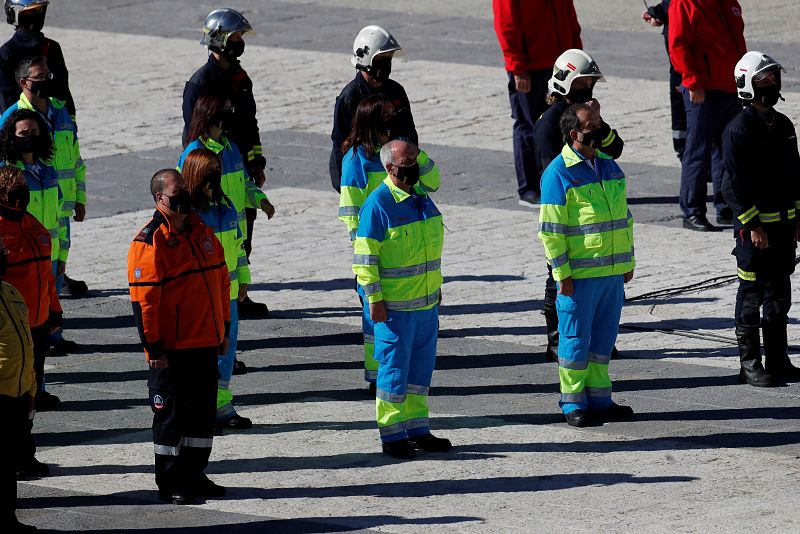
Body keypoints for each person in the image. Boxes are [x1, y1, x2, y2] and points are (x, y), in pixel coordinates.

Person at [128, 169, 230, 505]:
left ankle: (195, 473)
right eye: (176, 192)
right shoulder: (149, 242)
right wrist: (153, 346)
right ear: (159, 199)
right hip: (171, 349)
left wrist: (224, 327)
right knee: (171, 419)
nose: (184, 195)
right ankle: (171, 482)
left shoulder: (201, 229)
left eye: (185, 188)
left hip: (204, 341)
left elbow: (221, 279)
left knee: (201, 418)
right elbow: (145, 303)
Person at [538, 104, 635, 427]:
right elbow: (551, 231)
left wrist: (628, 260)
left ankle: (600, 399)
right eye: (592, 126)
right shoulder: (557, 173)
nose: (599, 130)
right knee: (575, 341)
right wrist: (561, 274)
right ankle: (572, 401)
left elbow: (624, 219)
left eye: (600, 123)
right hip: (578, 277)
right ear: (573, 134)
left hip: (610, 274)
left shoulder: (610, 167)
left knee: (603, 341)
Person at [353, 140, 450, 459]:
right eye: (407, 161)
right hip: (393, 309)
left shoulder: (421, 198)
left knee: (420, 372)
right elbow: (365, 261)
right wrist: (374, 300)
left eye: (415, 160)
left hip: (424, 305)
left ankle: (418, 428)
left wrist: (434, 288)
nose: (414, 166)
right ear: (389, 168)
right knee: (394, 371)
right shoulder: (377, 205)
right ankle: (392, 434)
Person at [339, 94, 439, 394]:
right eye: (387, 122)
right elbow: (351, 214)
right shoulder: (355, 160)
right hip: (376, 246)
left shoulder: (398, 153)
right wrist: (366, 251)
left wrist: (414, 153)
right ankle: (377, 375)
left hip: (401, 241)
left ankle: (386, 375)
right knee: (376, 322)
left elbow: (432, 180)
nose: (393, 125)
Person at [534, 49, 623, 363]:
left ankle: (597, 340)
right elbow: (551, 175)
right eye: (582, 83)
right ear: (565, 83)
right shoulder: (549, 124)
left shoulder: (587, 115)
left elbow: (616, 149)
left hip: (594, 214)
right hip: (567, 213)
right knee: (555, 274)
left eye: (590, 83)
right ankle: (556, 339)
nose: (588, 90)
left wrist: (599, 123)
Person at [182, 8, 269, 318]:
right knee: (216, 230)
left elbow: (250, 123)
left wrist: (256, 161)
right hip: (213, 173)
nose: (239, 43)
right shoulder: (200, 83)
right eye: (235, 38)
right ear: (218, 40)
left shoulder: (240, 77)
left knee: (242, 229)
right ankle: (218, 292)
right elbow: (193, 134)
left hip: (239, 167)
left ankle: (239, 293)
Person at [721, 51, 800, 388]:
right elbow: (732, 185)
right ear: (747, 87)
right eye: (763, 81)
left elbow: (796, 175)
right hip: (755, 233)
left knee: (780, 294)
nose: (771, 85)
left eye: (772, 79)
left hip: (783, 228)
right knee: (751, 295)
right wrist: (753, 226)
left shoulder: (782, 124)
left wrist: (799, 218)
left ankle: (779, 359)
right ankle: (750, 363)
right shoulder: (738, 130)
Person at [179, 94, 274, 374]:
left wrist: (260, 200)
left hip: (233, 238)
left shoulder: (231, 149)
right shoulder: (194, 155)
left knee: (230, 311)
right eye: (225, 111)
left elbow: (244, 184)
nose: (230, 116)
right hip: (208, 246)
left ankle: (227, 363)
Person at [0, 56, 87, 299]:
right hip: (27, 209)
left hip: (58, 206)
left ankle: (53, 329)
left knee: (57, 266)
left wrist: (79, 198)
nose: (46, 82)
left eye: (48, 77)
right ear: (23, 82)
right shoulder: (12, 119)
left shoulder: (61, 113)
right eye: (39, 79)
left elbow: (76, 161)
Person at [181, 148, 252, 430]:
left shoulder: (226, 207)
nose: (215, 176)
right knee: (203, 355)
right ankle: (200, 407)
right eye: (209, 171)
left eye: (217, 170)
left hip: (229, 295)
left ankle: (221, 405)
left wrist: (244, 279)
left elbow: (238, 246)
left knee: (227, 351)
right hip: (203, 298)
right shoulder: (189, 216)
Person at [0, 108, 75, 369]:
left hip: (49, 257)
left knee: (43, 324)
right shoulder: (9, 177)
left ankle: (37, 388)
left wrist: (63, 254)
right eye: (23, 133)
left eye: (34, 131)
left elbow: (62, 216)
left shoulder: (48, 170)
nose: (29, 136)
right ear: (11, 137)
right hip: (20, 263)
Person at [492, 0, 582, 207]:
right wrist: (517, 67)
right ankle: (529, 189)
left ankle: (558, 183)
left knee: (561, 124)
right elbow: (507, 25)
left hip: (561, 65)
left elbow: (570, 17)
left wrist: (577, 56)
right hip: (530, 68)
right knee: (528, 127)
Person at [668, 0, 746, 231]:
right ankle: (692, 211)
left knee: (728, 150)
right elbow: (678, 44)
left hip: (730, 87)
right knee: (698, 151)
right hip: (703, 89)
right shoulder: (685, 3)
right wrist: (692, 82)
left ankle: (725, 207)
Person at [0, 165, 60, 438]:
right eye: (17, 186)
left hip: (36, 324)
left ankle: (25, 449)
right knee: (8, 393)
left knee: (30, 389)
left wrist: (54, 311)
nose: (24, 190)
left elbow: (47, 276)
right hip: (9, 326)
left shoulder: (33, 224)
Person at [330, 25, 417, 193]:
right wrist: (345, 185)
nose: (386, 66)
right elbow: (340, 143)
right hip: (364, 178)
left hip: (396, 176)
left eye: (388, 60)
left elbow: (410, 133)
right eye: (381, 61)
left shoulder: (396, 91)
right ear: (366, 60)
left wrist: (410, 167)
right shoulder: (349, 98)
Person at [0, 236, 38, 533]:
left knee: (9, 462)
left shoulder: (11, 293)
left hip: (18, 392)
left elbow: (26, 345)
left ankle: (9, 518)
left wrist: (31, 390)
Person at [0, 0, 75, 117]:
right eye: (31, 11)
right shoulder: (6, 54)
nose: (37, 14)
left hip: (57, 121)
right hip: (26, 125)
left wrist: (70, 119)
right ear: (15, 14)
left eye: (40, 9)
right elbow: (7, 101)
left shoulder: (52, 47)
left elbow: (63, 90)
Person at [642, 0, 687, 160]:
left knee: (684, 110)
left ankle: (687, 153)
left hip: (686, 70)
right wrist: (658, 13)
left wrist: (658, 13)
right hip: (680, 69)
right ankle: (685, 152)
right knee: (681, 110)